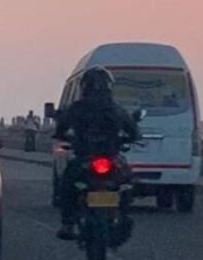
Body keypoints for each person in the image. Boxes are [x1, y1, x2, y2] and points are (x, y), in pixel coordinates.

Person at [52, 67, 140, 240]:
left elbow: (61, 128)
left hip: (85, 157)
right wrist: (129, 138)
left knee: (67, 184)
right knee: (127, 180)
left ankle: (68, 223)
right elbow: (133, 131)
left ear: (85, 86)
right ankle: (123, 215)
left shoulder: (78, 108)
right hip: (110, 156)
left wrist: (63, 135)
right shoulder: (116, 109)